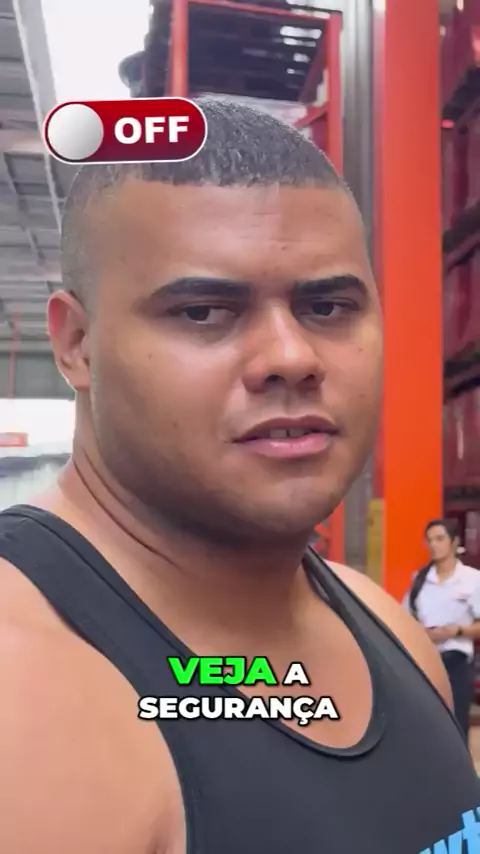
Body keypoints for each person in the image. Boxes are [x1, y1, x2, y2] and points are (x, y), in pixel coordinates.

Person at [0, 99, 478, 854]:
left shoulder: (387, 628)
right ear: (77, 344)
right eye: (203, 312)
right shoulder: (24, 699)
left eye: (328, 306)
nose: (291, 357)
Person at [404, 518, 480, 740]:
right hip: (424, 660)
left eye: (439, 539)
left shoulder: (472, 579)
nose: (434, 545)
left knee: (456, 725)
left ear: (454, 542)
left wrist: (456, 631)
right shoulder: (419, 579)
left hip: (456, 660)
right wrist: (420, 634)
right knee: (425, 724)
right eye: (429, 540)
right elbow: (403, 619)